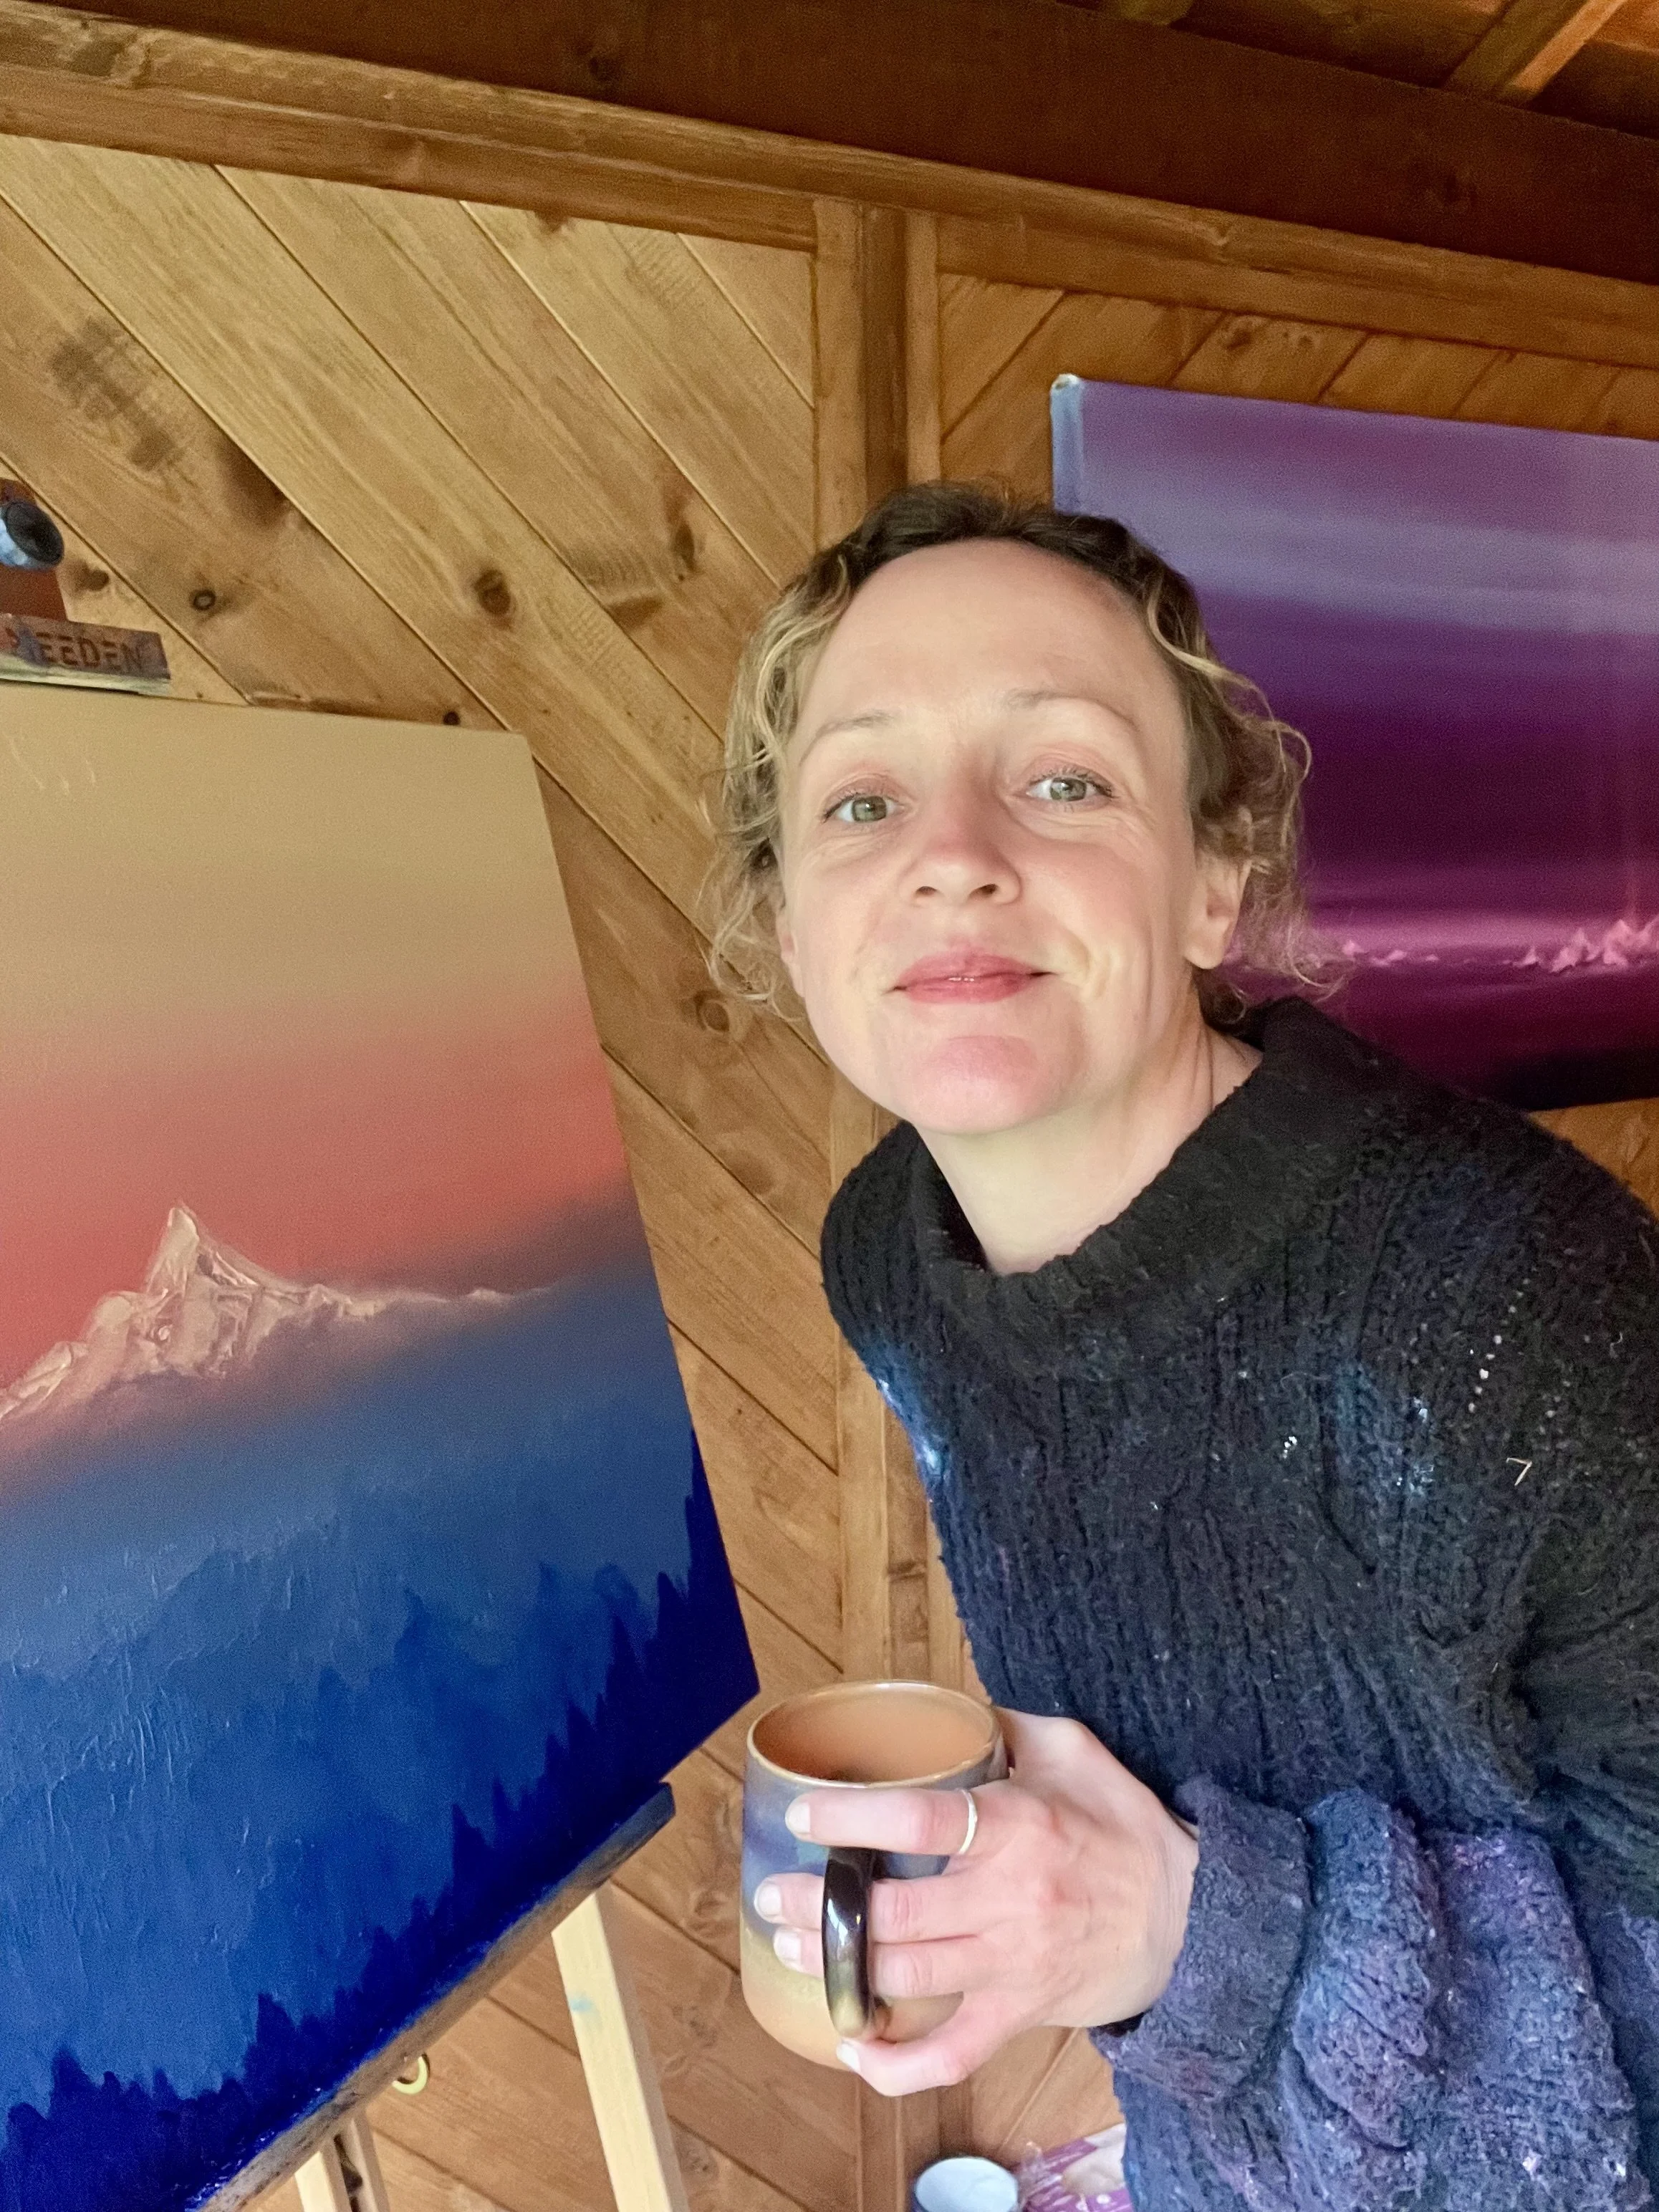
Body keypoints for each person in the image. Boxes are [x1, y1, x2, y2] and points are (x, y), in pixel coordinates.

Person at [716, 481, 1659, 2210]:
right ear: (792, 925)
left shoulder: (1524, 1298)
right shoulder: (888, 1257)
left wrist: (1186, 1922)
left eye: (1063, 777)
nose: (952, 850)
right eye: (862, 796)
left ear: (1218, 879)